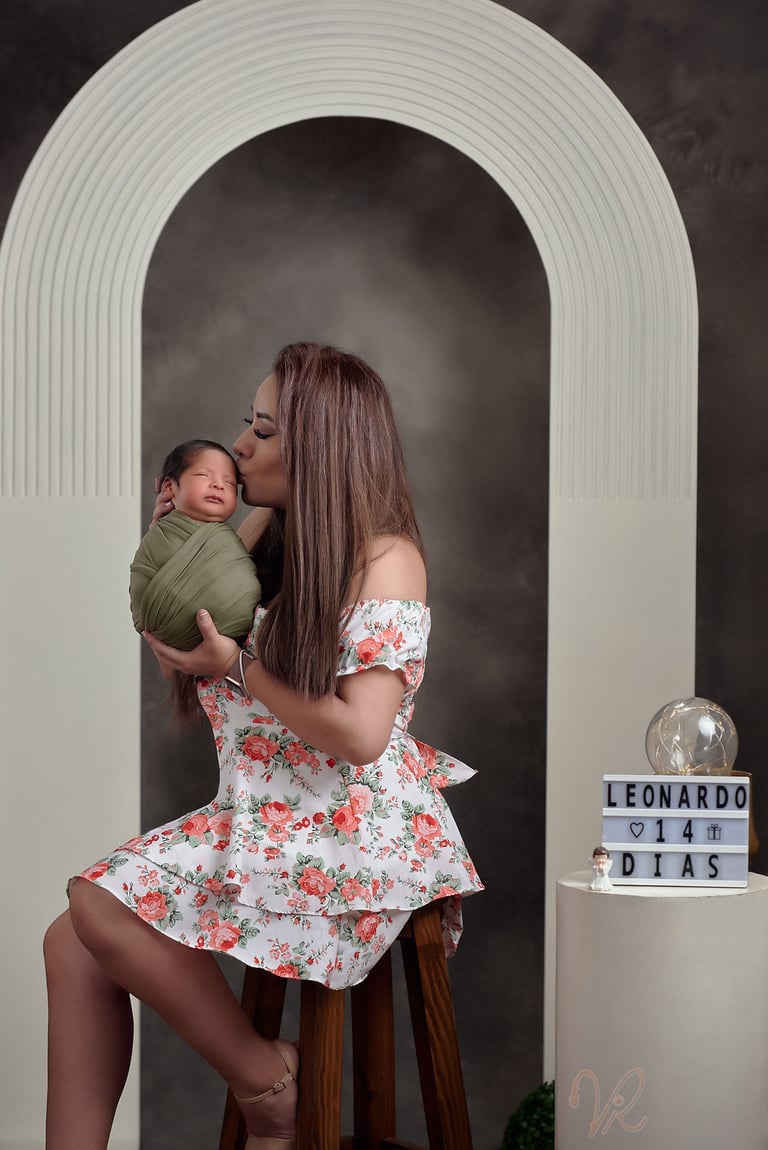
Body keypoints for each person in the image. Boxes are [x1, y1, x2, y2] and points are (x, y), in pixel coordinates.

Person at [43, 342, 483, 1150]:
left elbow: (362, 734)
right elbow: (186, 657)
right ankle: (261, 1082)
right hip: (266, 814)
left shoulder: (386, 559)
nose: (240, 448)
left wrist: (239, 666)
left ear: (321, 448)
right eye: (248, 426)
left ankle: (267, 1086)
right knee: (70, 944)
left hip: (351, 829)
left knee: (94, 903)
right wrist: (175, 556)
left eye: (266, 431)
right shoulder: (263, 532)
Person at [129, 440, 262, 650]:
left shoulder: (228, 542)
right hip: (172, 632)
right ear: (169, 487)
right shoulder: (163, 533)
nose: (218, 485)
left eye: (229, 483)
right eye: (203, 475)